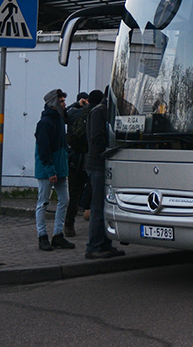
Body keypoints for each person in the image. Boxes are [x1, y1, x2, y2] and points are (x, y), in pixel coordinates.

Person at [85, 88, 125, 260]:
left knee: (106, 206)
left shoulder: (108, 112)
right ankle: (93, 246)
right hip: (98, 165)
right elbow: (96, 139)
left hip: (105, 164)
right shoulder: (98, 112)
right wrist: (110, 149)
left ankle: (105, 244)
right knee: (98, 207)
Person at [34, 88, 75, 251]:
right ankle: (42, 236)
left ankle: (58, 235)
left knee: (64, 200)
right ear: (53, 103)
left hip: (60, 168)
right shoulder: (45, 123)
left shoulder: (58, 119)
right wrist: (51, 171)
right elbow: (44, 150)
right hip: (48, 170)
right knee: (43, 202)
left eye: (64, 101)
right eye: (61, 101)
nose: (64, 104)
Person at [63, 92, 90, 236]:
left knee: (74, 195)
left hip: (74, 160)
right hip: (88, 159)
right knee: (93, 192)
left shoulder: (72, 113)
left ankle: (69, 225)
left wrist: (75, 105)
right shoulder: (91, 113)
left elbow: (63, 114)